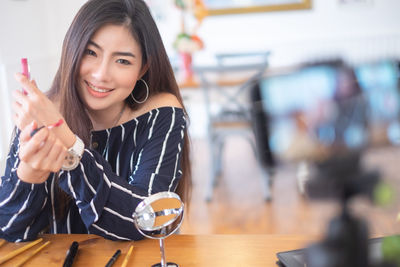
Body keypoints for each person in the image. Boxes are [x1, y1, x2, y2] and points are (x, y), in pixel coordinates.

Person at [0, 0, 191, 242]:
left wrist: (71, 148)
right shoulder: (41, 113)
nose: (101, 74)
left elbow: (147, 222)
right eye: (91, 53)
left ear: (143, 69)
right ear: (72, 50)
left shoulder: (162, 114)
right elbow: (10, 231)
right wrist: (30, 173)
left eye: (122, 61)